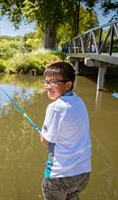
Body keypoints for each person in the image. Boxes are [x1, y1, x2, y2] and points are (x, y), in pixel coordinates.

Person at [40, 62, 91, 200]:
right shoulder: (79, 101)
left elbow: (47, 142)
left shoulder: (55, 107)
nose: (48, 86)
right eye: (46, 82)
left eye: (54, 82)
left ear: (68, 85)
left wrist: (42, 135)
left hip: (60, 177)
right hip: (83, 174)